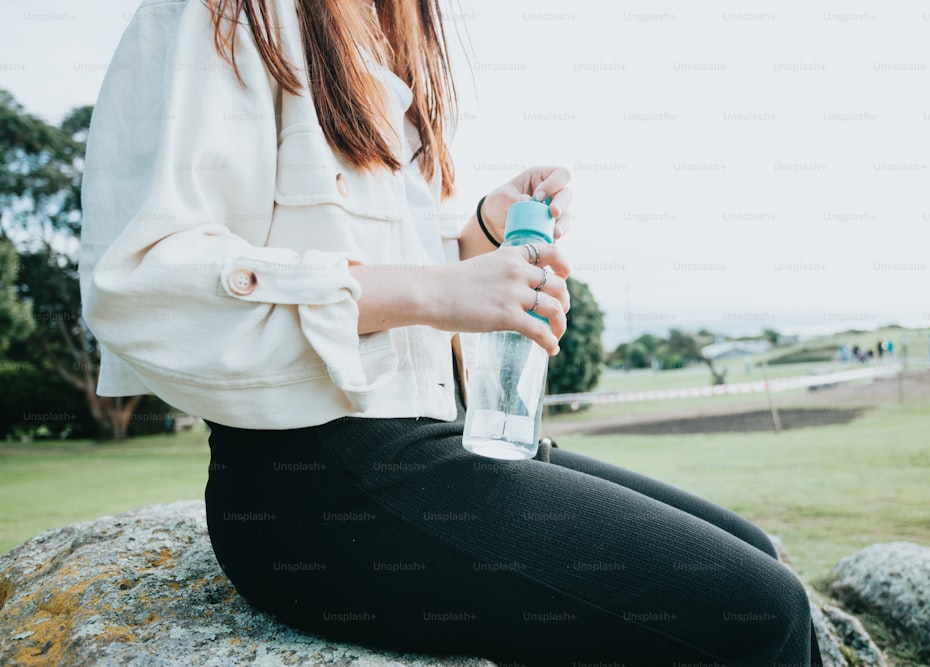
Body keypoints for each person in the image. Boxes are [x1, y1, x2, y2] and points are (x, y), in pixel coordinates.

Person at [79, 1, 821, 665]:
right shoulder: (217, 17)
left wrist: (480, 233)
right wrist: (441, 289)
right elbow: (141, 281)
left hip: (437, 435)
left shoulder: (382, 39)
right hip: (313, 484)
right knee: (760, 613)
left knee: (756, 556)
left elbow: (386, 286)